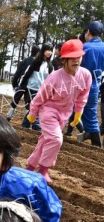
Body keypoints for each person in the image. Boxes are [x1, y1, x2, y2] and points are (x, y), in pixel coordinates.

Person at [25, 39, 91, 182]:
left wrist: (78, 113)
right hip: (48, 111)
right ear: (64, 59)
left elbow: (83, 96)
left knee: (45, 141)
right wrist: (32, 113)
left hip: (64, 114)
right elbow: (40, 96)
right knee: (56, 139)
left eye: (78, 57)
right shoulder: (55, 77)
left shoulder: (85, 75)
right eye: (72, 58)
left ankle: (30, 167)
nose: (76, 61)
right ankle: (43, 170)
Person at [77, 20, 104, 147]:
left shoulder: (84, 47)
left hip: (79, 84)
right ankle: (96, 146)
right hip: (95, 85)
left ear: (88, 32)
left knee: (65, 108)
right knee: (91, 114)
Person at [19, 43, 53, 130]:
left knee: (38, 107)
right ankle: (33, 124)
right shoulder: (36, 62)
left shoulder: (49, 65)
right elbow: (28, 73)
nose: (50, 52)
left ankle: (28, 124)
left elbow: (50, 78)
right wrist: (22, 85)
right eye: (48, 50)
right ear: (43, 51)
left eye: (51, 50)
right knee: (34, 106)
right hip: (32, 88)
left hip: (43, 90)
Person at [6, 45, 40, 121]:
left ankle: (9, 115)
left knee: (15, 100)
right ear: (38, 53)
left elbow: (17, 73)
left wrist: (14, 84)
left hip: (21, 84)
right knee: (28, 103)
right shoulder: (38, 63)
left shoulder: (24, 61)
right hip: (31, 86)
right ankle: (26, 119)